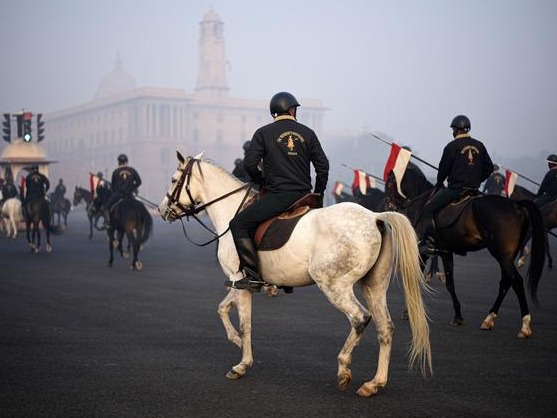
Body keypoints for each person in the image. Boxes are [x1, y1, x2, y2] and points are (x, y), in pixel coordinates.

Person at [225, 91, 330, 291]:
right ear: (291, 110)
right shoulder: (308, 133)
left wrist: (261, 182)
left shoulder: (263, 133)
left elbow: (250, 164)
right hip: (304, 196)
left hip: (279, 196)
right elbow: (323, 166)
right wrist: (319, 192)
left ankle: (253, 276)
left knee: (238, 223)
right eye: (295, 109)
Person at [419, 115, 493, 257]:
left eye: (453, 129)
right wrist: (478, 179)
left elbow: (443, 170)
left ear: (456, 130)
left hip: (456, 190)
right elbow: (489, 168)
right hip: (474, 189)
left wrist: (440, 183)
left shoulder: (452, 146)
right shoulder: (479, 145)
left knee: (428, 208)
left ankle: (432, 243)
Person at [102, 154, 142, 228]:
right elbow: (139, 182)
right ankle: (140, 222)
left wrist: (117, 191)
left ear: (119, 162)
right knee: (138, 207)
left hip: (118, 195)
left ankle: (107, 223)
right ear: (126, 161)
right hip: (130, 194)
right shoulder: (133, 170)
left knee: (106, 207)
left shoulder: (115, 172)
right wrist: (131, 188)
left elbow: (113, 186)